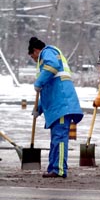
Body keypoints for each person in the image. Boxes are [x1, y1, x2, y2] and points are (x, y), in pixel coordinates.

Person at [28, 36, 83, 178]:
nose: (34, 60)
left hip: (62, 104)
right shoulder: (47, 59)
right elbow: (48, 90)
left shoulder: (48, 52)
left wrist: (38, 82)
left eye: (33, 56)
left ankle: (59, 169)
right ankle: (53, 167)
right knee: (55, 139)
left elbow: (52, 67)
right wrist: (38, 109)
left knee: (60, 138)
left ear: (35, 50)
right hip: (57, 104)